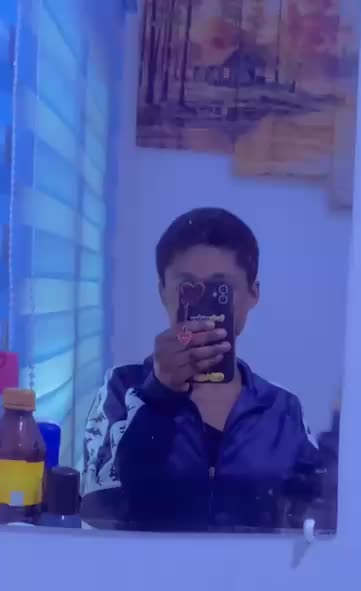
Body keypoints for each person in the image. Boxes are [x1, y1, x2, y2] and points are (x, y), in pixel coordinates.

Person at [81, 207, 336, 532]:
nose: (203, 308)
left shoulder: (283, 409)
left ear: (253, 294)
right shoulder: (123, 388)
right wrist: (159, 394)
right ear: (162, 292)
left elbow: (317, 522)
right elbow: (97, 513)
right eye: (187, 288)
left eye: (220, 290)